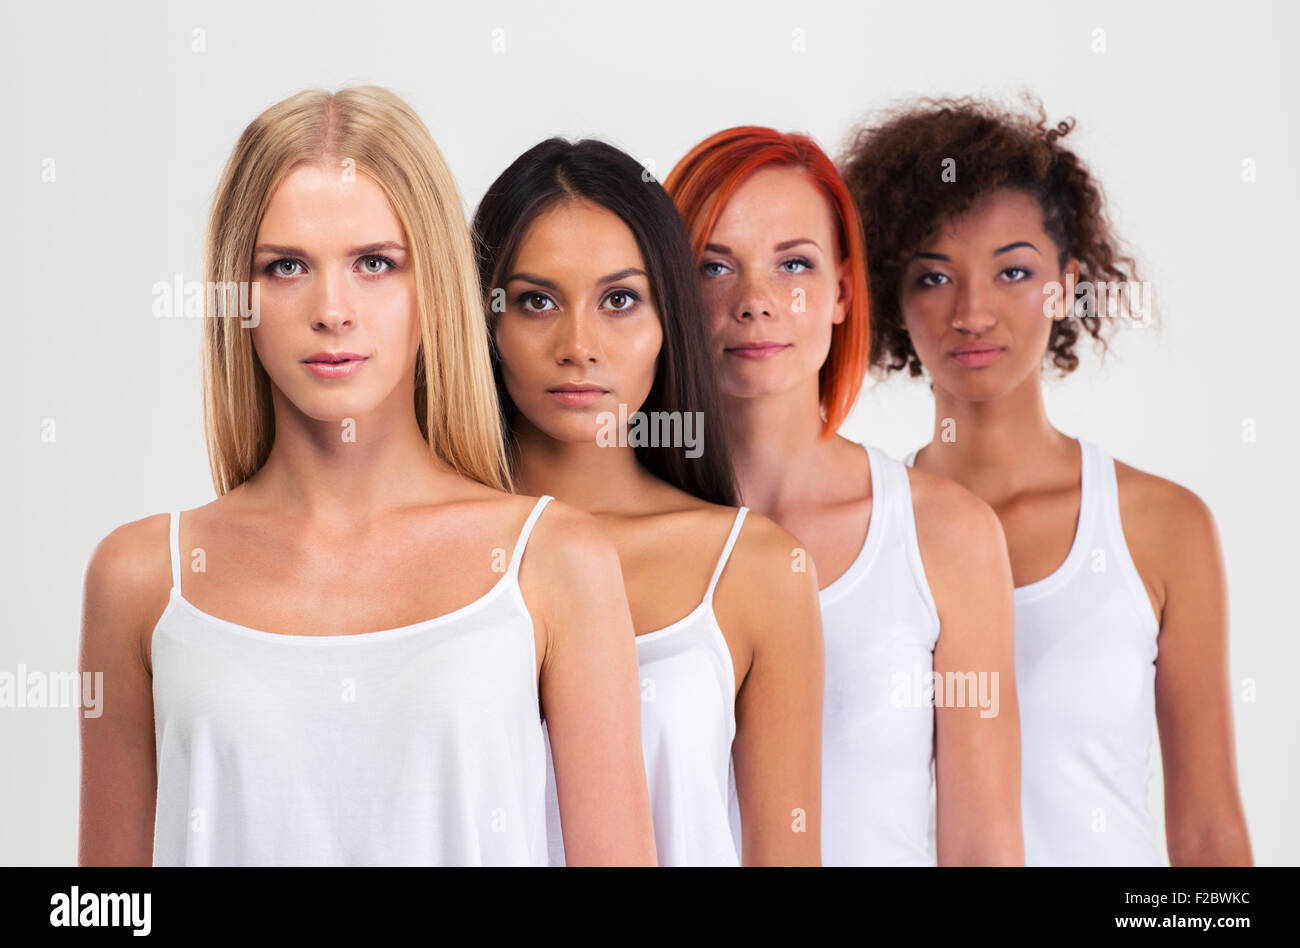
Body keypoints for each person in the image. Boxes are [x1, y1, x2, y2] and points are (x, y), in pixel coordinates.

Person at [77, 87, 655, 866]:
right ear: (237, 298)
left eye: (375, 264)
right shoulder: (143, 576)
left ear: (434, 286)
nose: (332, 309)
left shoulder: (555, 562)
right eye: (286, 267)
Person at [839, 96, 1252, 865]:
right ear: (892, 298)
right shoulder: (859, 533)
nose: (973, 312)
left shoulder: (1160, 526)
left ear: (1065, 285)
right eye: (933, 277)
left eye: (1014, 272)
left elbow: (1208, 831)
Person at [666, 127, 1023, 865]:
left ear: (841, 292)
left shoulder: (945, 534)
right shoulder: (608, 537)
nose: (755, 301)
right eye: (713, 266)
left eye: (793, 263)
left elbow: (984, 845)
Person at [473, 137, 824, 865]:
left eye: (620, 300)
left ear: (670, 320)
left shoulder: (755, 569)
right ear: (487, 321)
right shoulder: (425, 546)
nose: (579, 344)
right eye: (538, 301)